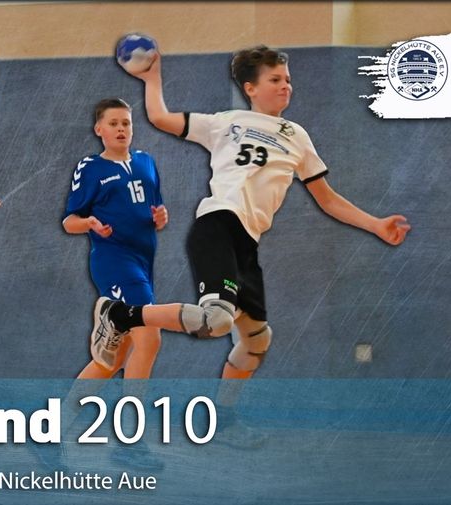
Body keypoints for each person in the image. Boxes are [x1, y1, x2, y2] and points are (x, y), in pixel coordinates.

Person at [89, 43, 410, 380]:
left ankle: (226, 411)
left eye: (287, 79)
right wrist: (152, 78)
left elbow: (327, 199)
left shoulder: (297, 136)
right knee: (215, 320)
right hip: (218, 224)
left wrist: (375, 224)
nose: (285, 86)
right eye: (275, 80)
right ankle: (119, 315)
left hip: (247, 240)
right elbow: (159, 117)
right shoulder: (225, 122)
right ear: (250, 88)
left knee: (256, 341)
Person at [62, 98, 168, 378]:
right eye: (113, 123)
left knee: (116, 355)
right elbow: (69, 222)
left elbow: (155, 211)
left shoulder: (146, 162)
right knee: (150, 338)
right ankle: (134, 408)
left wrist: (160, 217)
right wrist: (89, 223)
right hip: (115, 262)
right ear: (99, 129)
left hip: (144, 262)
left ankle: (68, 407)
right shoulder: (91, 168)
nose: (121, 129)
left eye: (126, 123)